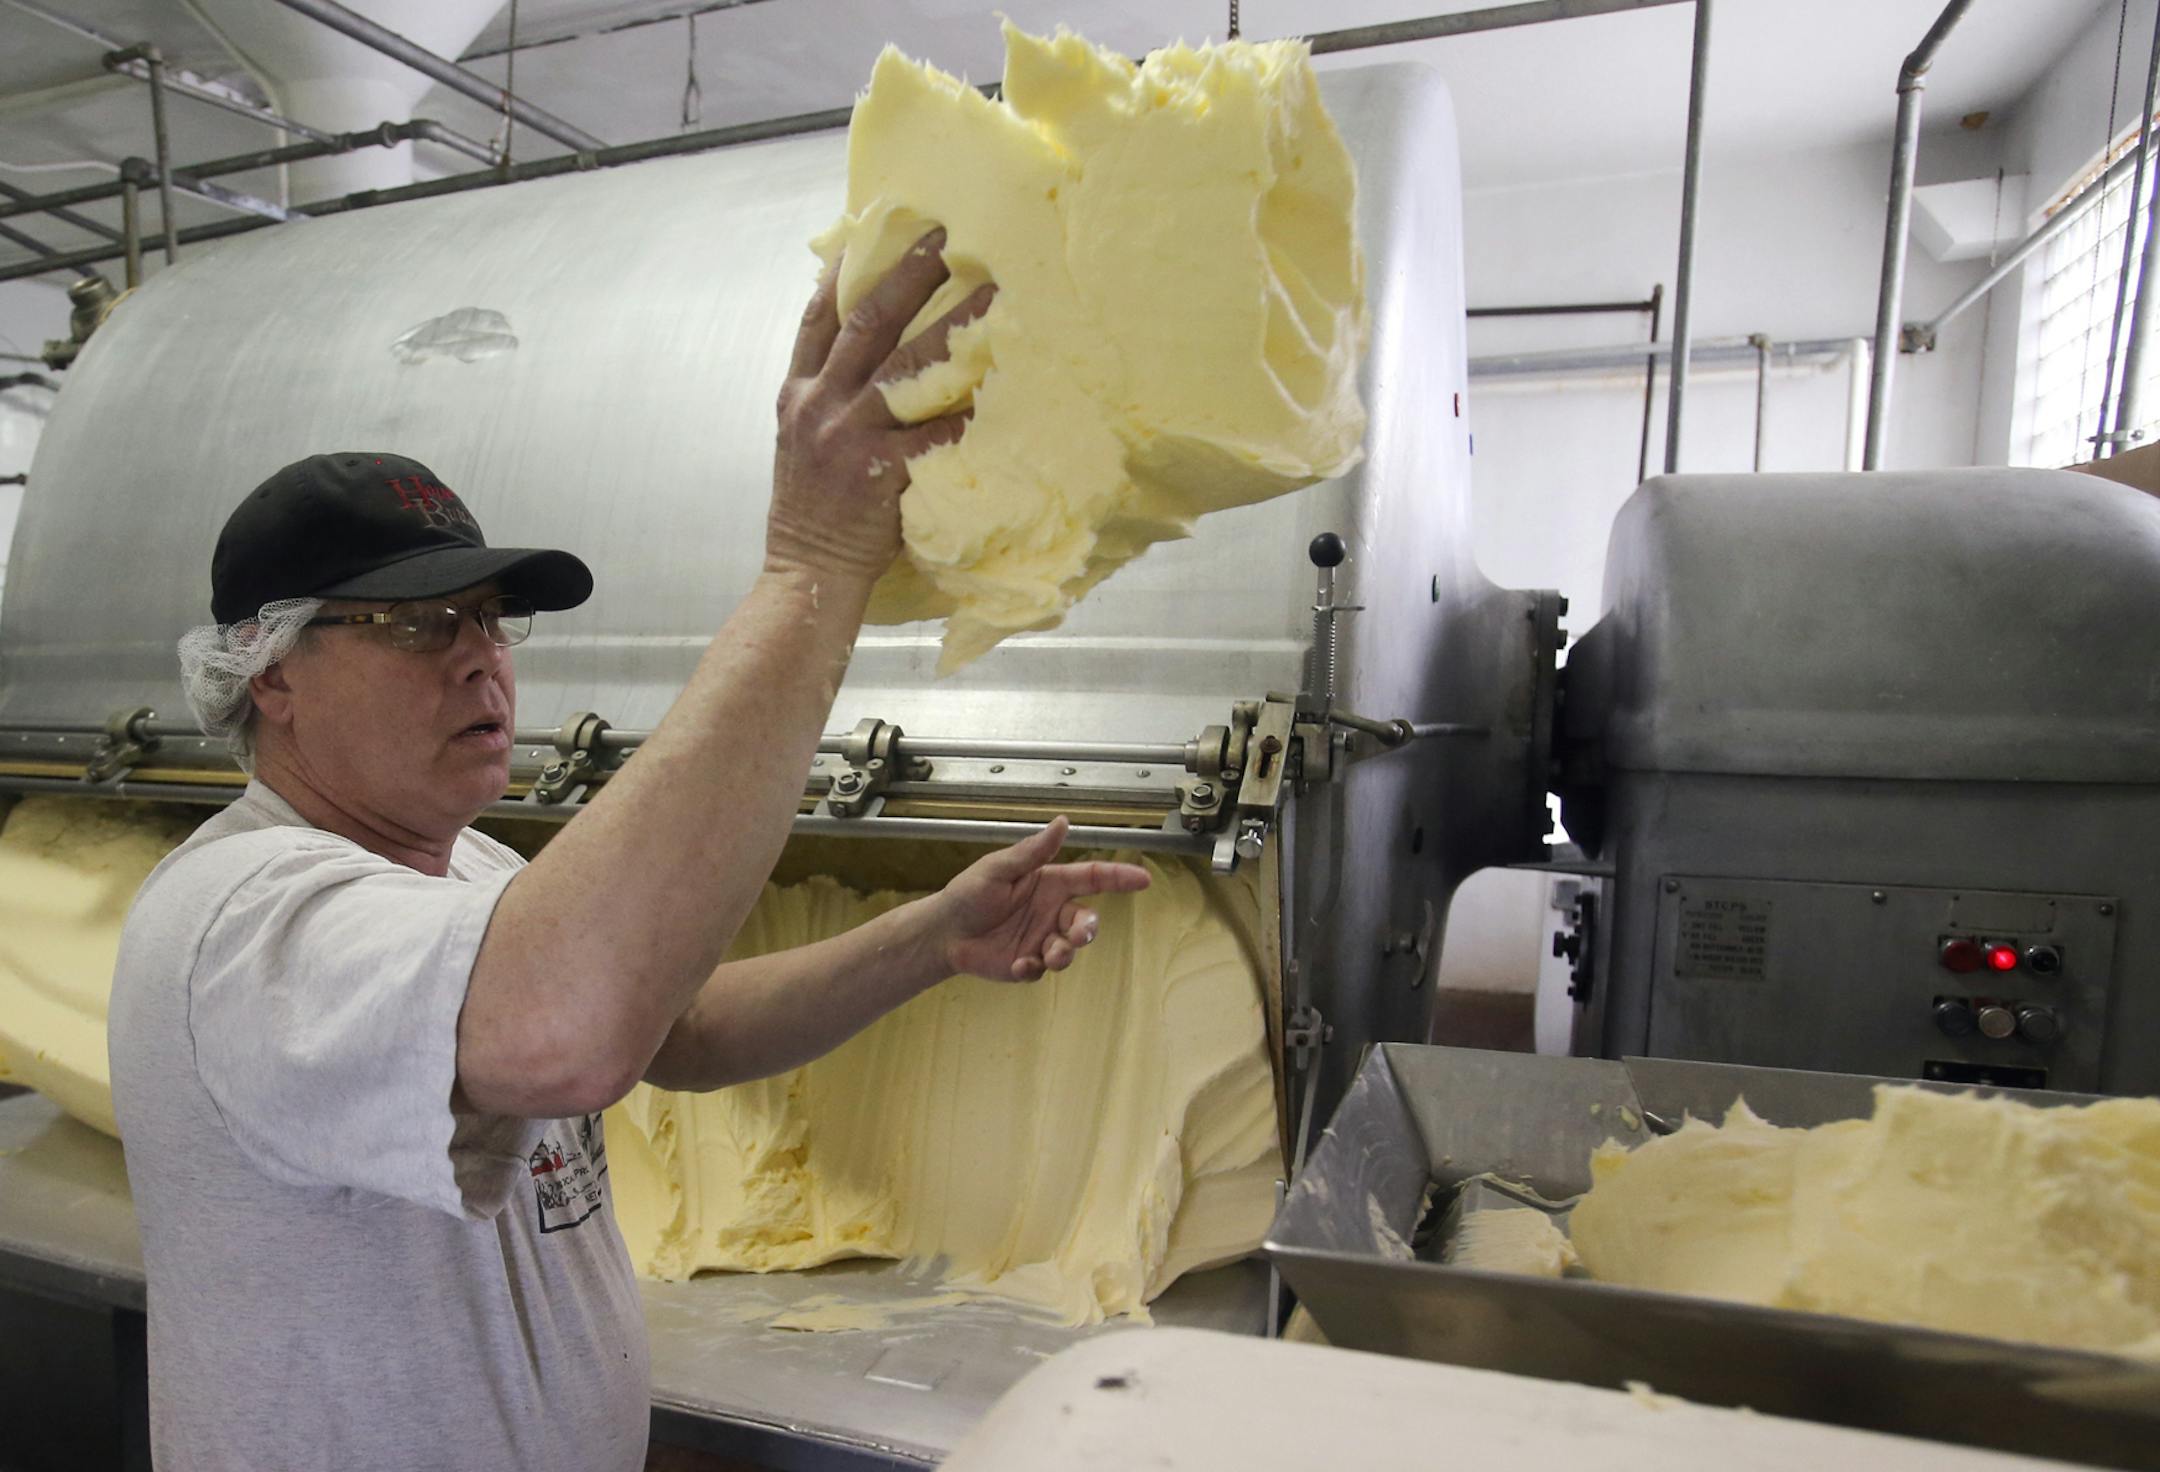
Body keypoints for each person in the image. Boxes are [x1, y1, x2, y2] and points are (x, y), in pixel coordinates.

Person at [108, 232, 1147, 1470]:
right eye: (418, 622)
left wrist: (934, 933)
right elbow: (570, 1024)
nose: (480, 655)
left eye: (492, 618)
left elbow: (683, 1023)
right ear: (271, 674)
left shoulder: (475, 872)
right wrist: (814, 564)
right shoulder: (239, 918)